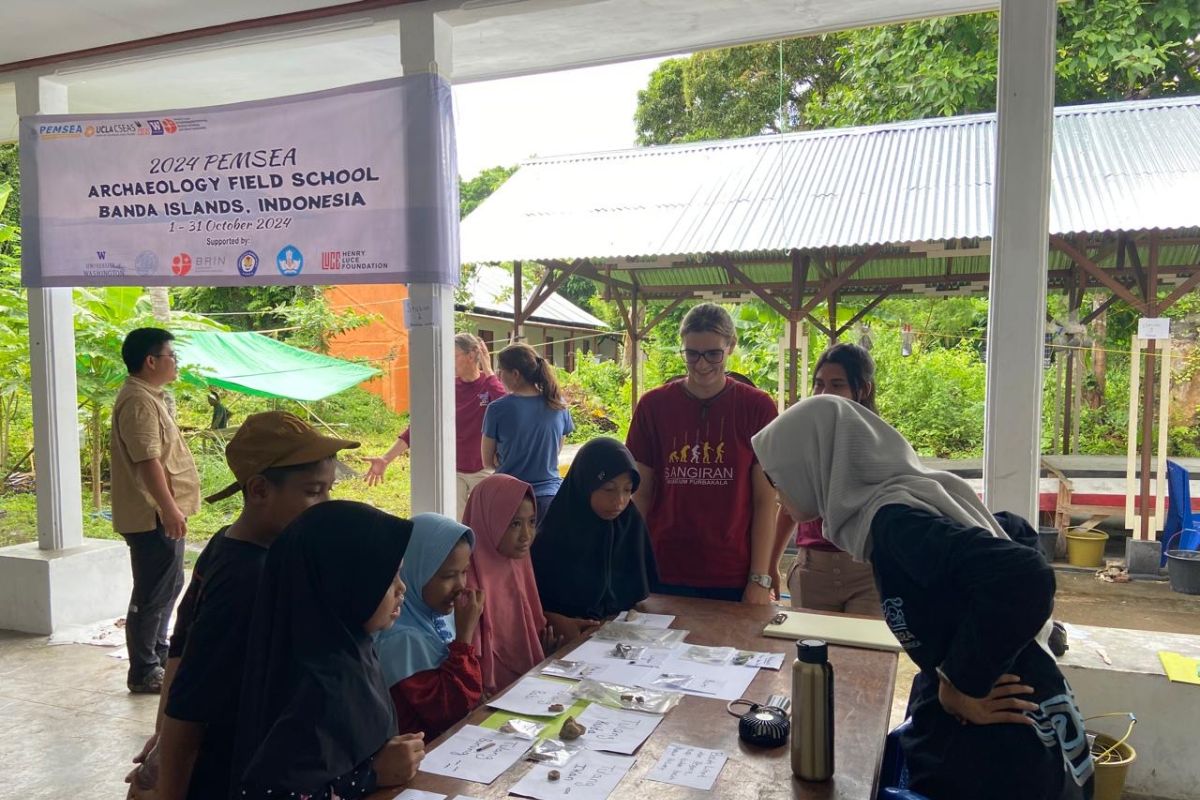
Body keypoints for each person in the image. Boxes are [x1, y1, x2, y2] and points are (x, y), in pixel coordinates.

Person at [752, 395, 1094, 800]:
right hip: (1022, 724)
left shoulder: (894, 522)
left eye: (777, 477)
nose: (775, 492)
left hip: (1002, 750)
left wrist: (959, 681)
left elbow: (1026, 575)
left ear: (812, 461)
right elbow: (1015, 532)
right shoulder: (915, 494)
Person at [130, 412, 358, 800]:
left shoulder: (225, 542)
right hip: (230, 764)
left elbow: (180, 646)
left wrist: (161, 737)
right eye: (313, 491)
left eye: (328, 490)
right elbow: (193, 697)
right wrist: (169, 777)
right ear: (259, 490)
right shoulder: (252, 578)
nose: (325, 504)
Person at [232, 501, 423, 800]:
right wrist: (369, 775)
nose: (402, 589)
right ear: (344, 581)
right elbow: (267, 792)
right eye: (389, 579)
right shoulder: (318, 683)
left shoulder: (353, 648)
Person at [626, 303, 778, 604]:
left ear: (731, 347)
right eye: (692, 354)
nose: (702, 364)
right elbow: (640, 494)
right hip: (663, 568)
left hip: (732, 572)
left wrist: (760, 579)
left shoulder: (757, 407)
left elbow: (765, 500)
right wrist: (630, 564)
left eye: (713, 354)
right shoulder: (653, 407)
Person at [111, 327, 200, 694]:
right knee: (152, 591)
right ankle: (144, 668)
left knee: (169, 585)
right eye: (171, 356)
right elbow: (148, 461)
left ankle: (158, 653)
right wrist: (168, 509)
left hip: (161, 514)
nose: (175, 362)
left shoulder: (150, 396)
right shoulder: (138, 402)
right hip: (152, 517)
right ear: (151, 361)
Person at [771, 343, 882, 615]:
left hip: (868, 575)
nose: (824, 393)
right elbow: (789, 508)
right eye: (819, 384)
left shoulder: (881, 444)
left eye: (837, 384)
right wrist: (770, 564)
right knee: (811, 655)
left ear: (863, 390)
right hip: (812, 574)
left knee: (864, 657)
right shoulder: (802, 442)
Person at [366, 333, 504, 520]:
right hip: (454, 470)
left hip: (484, 468)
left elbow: (506, 408)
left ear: (471, 356)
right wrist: (385, 458)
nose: (449, 362)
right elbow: (420, 427)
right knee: (458, 524)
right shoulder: (447, 388)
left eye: (453, 356)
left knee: (489, 522)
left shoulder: (490, 385)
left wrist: (488, 371)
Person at [376, 513, 485, 741]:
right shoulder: (400, 638)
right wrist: (464, 639)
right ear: (414, 572)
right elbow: (451, 710)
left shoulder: (433, 616)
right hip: (423, 760)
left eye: (464, 572)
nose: (460, 586)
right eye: (448, 576)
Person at [532, 438, 656, 632]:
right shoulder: (557, 532)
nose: (620, 501)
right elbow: (536, 604)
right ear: (585, 484)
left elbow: (638, 591)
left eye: (628, 490)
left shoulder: (630, 523)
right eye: (609, 489)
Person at [462, 474, 560, 695]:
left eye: (532, 522)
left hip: (528, 690)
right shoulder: (464, 580)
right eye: (514, 524)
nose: (526, 535)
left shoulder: (518, 565)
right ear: (487, 520)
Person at [482, 343, 574, 525]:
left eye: (501, 372)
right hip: (550, 497)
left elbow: (487, 462)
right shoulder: (558, 404)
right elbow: (556, 450)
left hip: (510, 498)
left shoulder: (497, 409)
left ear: (515, 374)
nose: (499, 377)